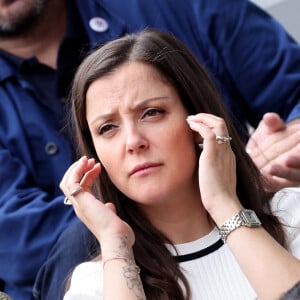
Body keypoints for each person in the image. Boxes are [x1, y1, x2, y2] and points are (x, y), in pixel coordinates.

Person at [1, 1, 300, 299]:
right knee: (76, 242)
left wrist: (229, 194)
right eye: (107, 128)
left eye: (152, 113)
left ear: (198, 118)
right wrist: (115, 238)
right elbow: (16, 240)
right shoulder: (91, 282)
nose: (133, 142)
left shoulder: (291, 215)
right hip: (110, 247)